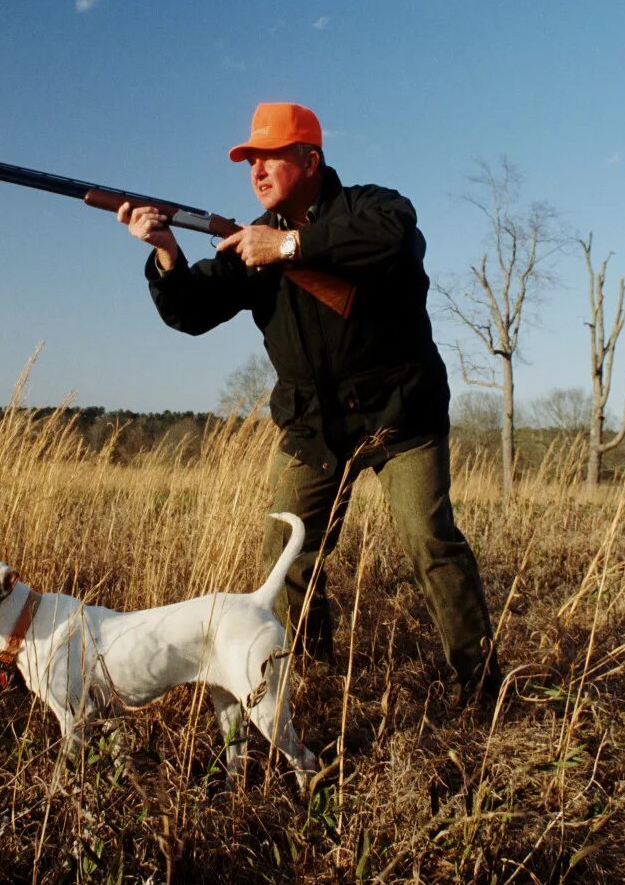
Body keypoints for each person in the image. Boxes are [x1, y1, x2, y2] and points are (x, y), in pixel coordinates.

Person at [116, 102, 501, 708]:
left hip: (401, 417)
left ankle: (479, 684)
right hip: (315, 429)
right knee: (288, 557)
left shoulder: (373, 209)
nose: (256, 170)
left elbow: (393, 240)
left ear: (311, 159)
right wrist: (166, 250)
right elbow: (191, 311)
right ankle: (313, 678)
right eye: (249, 160)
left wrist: (290, 246)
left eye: (269, 156)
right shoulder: (247, 244)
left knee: (429, 541)